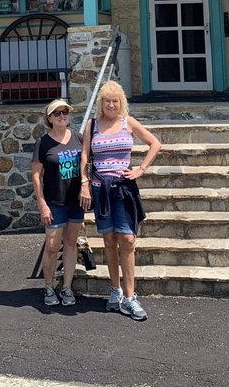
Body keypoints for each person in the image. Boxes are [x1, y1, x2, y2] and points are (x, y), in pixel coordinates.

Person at [79, 80, 161, 321]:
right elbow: (84, 156)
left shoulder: (128, 122)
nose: (111, 105)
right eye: (107, 101)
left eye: (115, 101)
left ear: (121, 102)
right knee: (109, 239)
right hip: (100, 189)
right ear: (101, 104)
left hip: (124, 189)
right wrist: (84, 185)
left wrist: (141, 169)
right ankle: (115, 291)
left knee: (127, 239)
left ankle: (130, 296)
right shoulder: (92, 125)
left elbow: (155, 143)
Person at [30, 98, 83, 307]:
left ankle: (67, 287)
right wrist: (42, 204)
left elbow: (86, 166)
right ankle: (49, 286)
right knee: (52, 246)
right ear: (49, 118)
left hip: (76, 201)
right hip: (54, 201)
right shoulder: (43, 143)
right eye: (57, 113)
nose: (62, 116)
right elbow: (36, 176)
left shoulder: (78, 138)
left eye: (65, 112)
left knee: (70, 243)